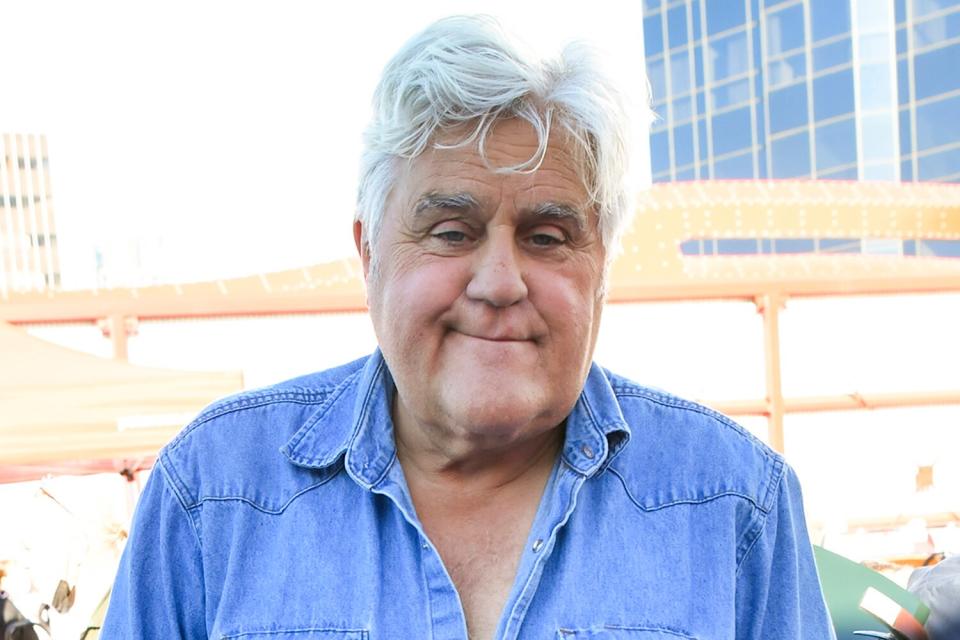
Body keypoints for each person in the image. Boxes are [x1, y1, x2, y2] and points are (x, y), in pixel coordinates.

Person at [101, 15, 835, 640]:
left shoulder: (734, 504)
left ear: (601, 267)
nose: (500, 283)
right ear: (368, 251)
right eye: (452, 231)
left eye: (548, 236)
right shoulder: (214, 495)